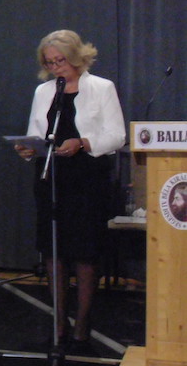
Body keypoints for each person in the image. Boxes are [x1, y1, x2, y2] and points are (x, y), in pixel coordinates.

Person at [14, 30, 125, 347]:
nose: (55, 68)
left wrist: (84, 142)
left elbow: (117, 136)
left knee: (85, 251)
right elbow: (37, 133)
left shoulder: (102, 88)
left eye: (60, 61)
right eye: (49, 63)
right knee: (54, 250)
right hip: (52, 177)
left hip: (87, 177)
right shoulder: (44, 91)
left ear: (76, 57)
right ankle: (59, 319)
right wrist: (28, 149)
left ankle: (83, 320)